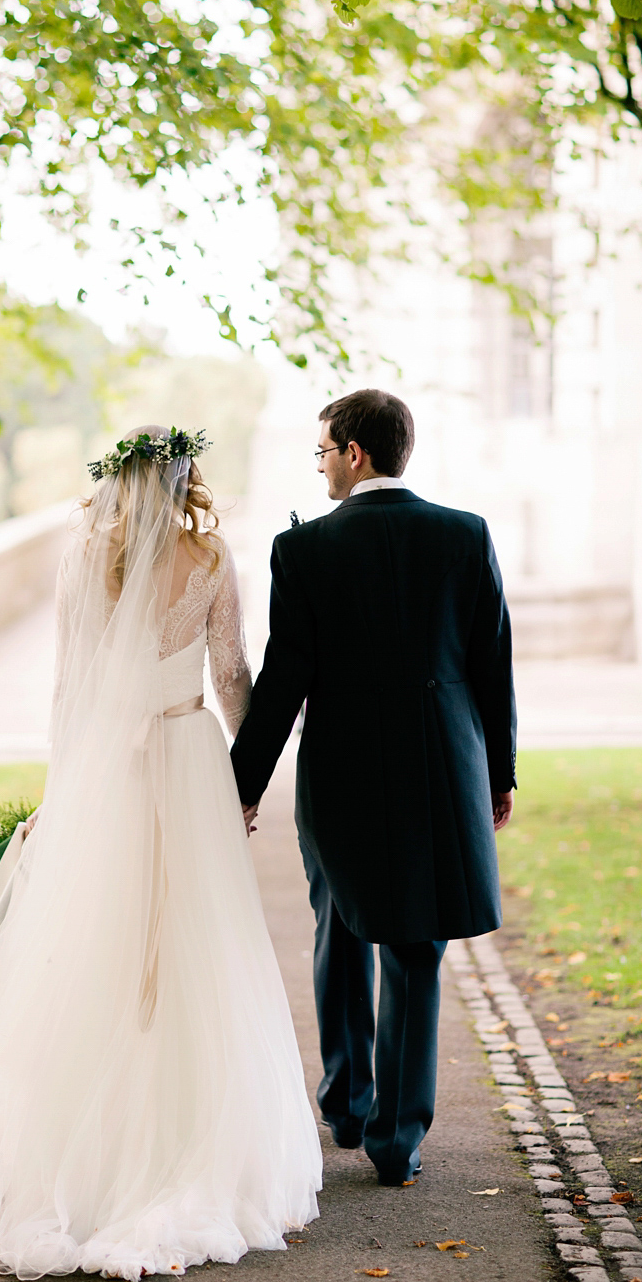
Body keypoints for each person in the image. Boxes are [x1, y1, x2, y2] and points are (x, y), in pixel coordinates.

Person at [0, 426, 321, 1282]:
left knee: (97, 942)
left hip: (108, 768)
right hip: (186, 759)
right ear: (185, 478)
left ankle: (86, 1165)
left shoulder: (82, 558)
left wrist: (69, 793)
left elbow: (71, 685)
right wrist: (243, 779)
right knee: (195, 947)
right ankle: (191, 1148)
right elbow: (228, 676)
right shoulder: (212, 559)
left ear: (118, 483)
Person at [231, 389, 516, 1187]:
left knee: (344, 928)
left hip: (342, 779)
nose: (320, 465)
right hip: (441, 776)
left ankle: (347, 1104)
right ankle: (397, 1141)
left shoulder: (305, 551)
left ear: (354, 453)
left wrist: (240, 786)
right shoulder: (465, 535)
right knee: (418, 947)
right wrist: (499, 774)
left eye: (322, 450)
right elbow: (493, 664)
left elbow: (285, 682)